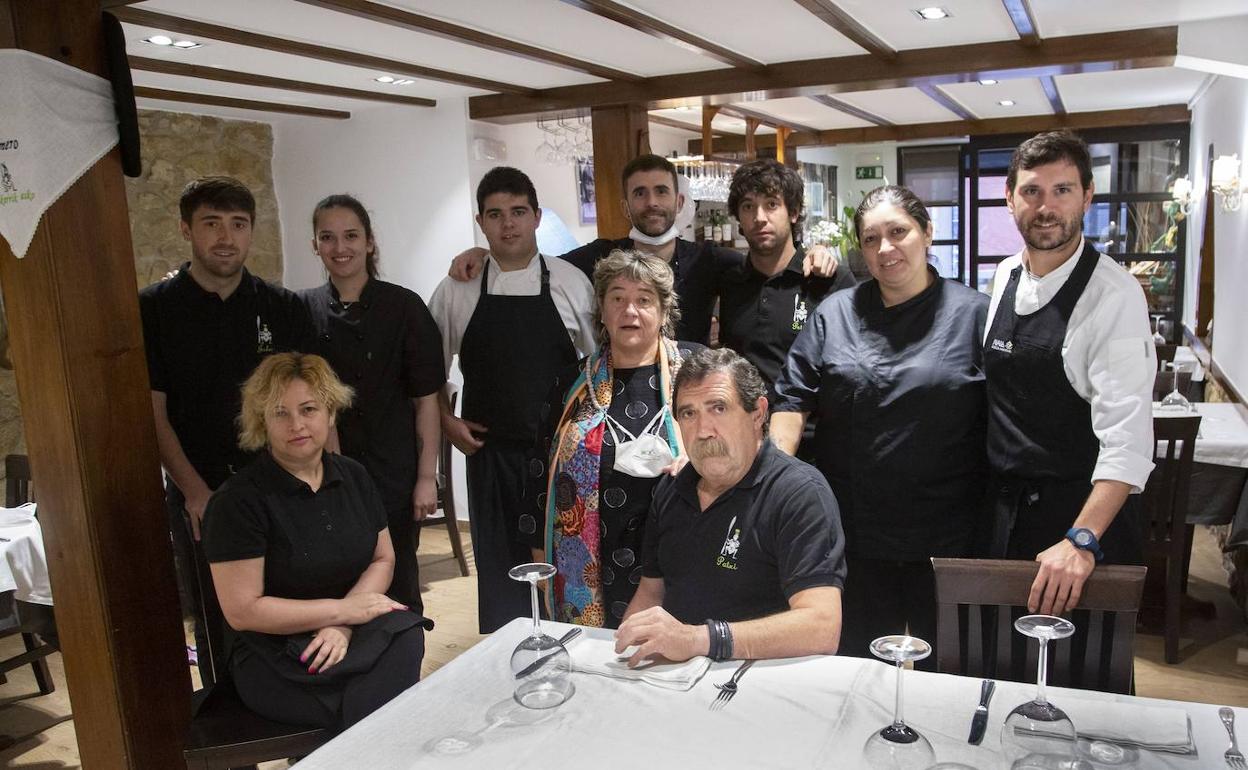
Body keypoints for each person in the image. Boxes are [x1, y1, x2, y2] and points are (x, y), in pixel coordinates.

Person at [770, 185, 988, 665]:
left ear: (927, 233)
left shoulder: (974, 314)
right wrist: (772, 479)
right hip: (855, 531)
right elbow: (791, 398)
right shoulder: (835, 314)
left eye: (898, 232)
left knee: (948, 669)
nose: (885, 248)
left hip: (949, 534)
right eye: (871, 239)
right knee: (857, 668)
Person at [139, 176, 315, 677]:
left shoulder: (281, 307)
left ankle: (293, 709)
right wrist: (195, 492)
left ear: (251, 231)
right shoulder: (154, 308)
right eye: (211, 223)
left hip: (279, 484)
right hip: (202, 489)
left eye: (238, 225)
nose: (225, 237)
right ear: (186, 229)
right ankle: (226, 716)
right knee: (215, 617)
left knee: (292, 604)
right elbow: (154, 413)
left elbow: (309, 403)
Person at [203, 353, 430, 729]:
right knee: (383, 703)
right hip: (275, 651)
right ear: (262, 421)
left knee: (407, 634)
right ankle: (376, 743)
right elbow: (243, 611)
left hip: (351, 630)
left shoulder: (354, 476)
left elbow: (383, 559)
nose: (297, 425)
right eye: (280, 413)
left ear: (331, 412)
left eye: (308, 409)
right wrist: (342, 613)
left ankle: (359, 743)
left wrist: (343, 625)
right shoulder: (238, 501)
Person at [984, 131, 1155, 617]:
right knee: (998, 652)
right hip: (1005, 517)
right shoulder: (1004, 275)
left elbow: (1128, 440)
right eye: (1032, 191)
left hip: (1076, 527)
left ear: (1087, 196)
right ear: (1010, 198)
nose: (1046, 207)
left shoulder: (1113, 295)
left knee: (1072, 661)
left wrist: (1082, 540)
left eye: (1062, 190)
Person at [428, 166, 597, 633]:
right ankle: (508, 654)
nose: (508, 225)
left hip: (560, 457)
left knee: (567, 570)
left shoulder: (570, 282)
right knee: (502, 574)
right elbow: (426, 370)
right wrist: (445, 419)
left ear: (537, 217)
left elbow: (599, 368)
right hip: (491, 456)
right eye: (495, 214)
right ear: (480, 222)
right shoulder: (457, 289)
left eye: (518, 212)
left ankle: (570, 648)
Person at [446, 154, 840, 344]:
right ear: (626, 206)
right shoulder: (599, 256)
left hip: (691, 398)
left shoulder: (710, 261)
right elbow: (533, 265)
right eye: (640, 193)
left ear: (678, 202)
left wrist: (814, 251)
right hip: (620, 397)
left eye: (661, 191)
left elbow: (767, 263)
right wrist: (484, 254)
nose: (651, 202)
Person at [614, 348, 846, 665]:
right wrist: (624, 656)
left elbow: (821, 627)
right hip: (674, 676)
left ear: (758, 413)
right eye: (688, 414)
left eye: (719, 408)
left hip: (761, 677)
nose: (703, 430)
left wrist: (700, 640)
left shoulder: (799, 494)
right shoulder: (672, 488)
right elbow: (651, 593)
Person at [524, 250, 702, 628]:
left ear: (664, 311)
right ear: (602, 312)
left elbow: (733, 445)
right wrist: (539, 552)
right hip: (594, 557)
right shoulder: (572, 384)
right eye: (617, 298)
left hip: (682, 546)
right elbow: (540, 470)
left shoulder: (698, 370)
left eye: (644, 300)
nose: (629, 311)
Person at [300, 194, 445, 615]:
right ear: (315, 245)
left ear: (369, 241)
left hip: (393, 469)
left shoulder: (404, 307)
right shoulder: (303, 309)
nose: (340, 247)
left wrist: (426, 477)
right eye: (327, 237)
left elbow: (426, 400)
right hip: (323, 473)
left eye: (350, 236)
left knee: (400, 584)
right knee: (339, 584)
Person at [717, 159, 856, 459]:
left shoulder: (829, 280)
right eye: (748, 207)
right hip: (745, 444)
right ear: (738, 217)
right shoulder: (731, 283)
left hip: (820, 448)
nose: (759, 218)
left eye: (771, 204)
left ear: (793, 212)